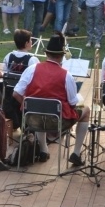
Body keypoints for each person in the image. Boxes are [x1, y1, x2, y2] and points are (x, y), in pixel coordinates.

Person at [13, 32, 91, 166]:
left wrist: (27, 107)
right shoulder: (67, 75)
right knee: (86, 110)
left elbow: (16, 93)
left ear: (46, 53)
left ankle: (44, 149)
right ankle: (76, 153)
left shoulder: (32, 69)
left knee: (39, 108)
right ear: (62, 56)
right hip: (57, 123)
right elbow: (72, 103)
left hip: (32, 118)